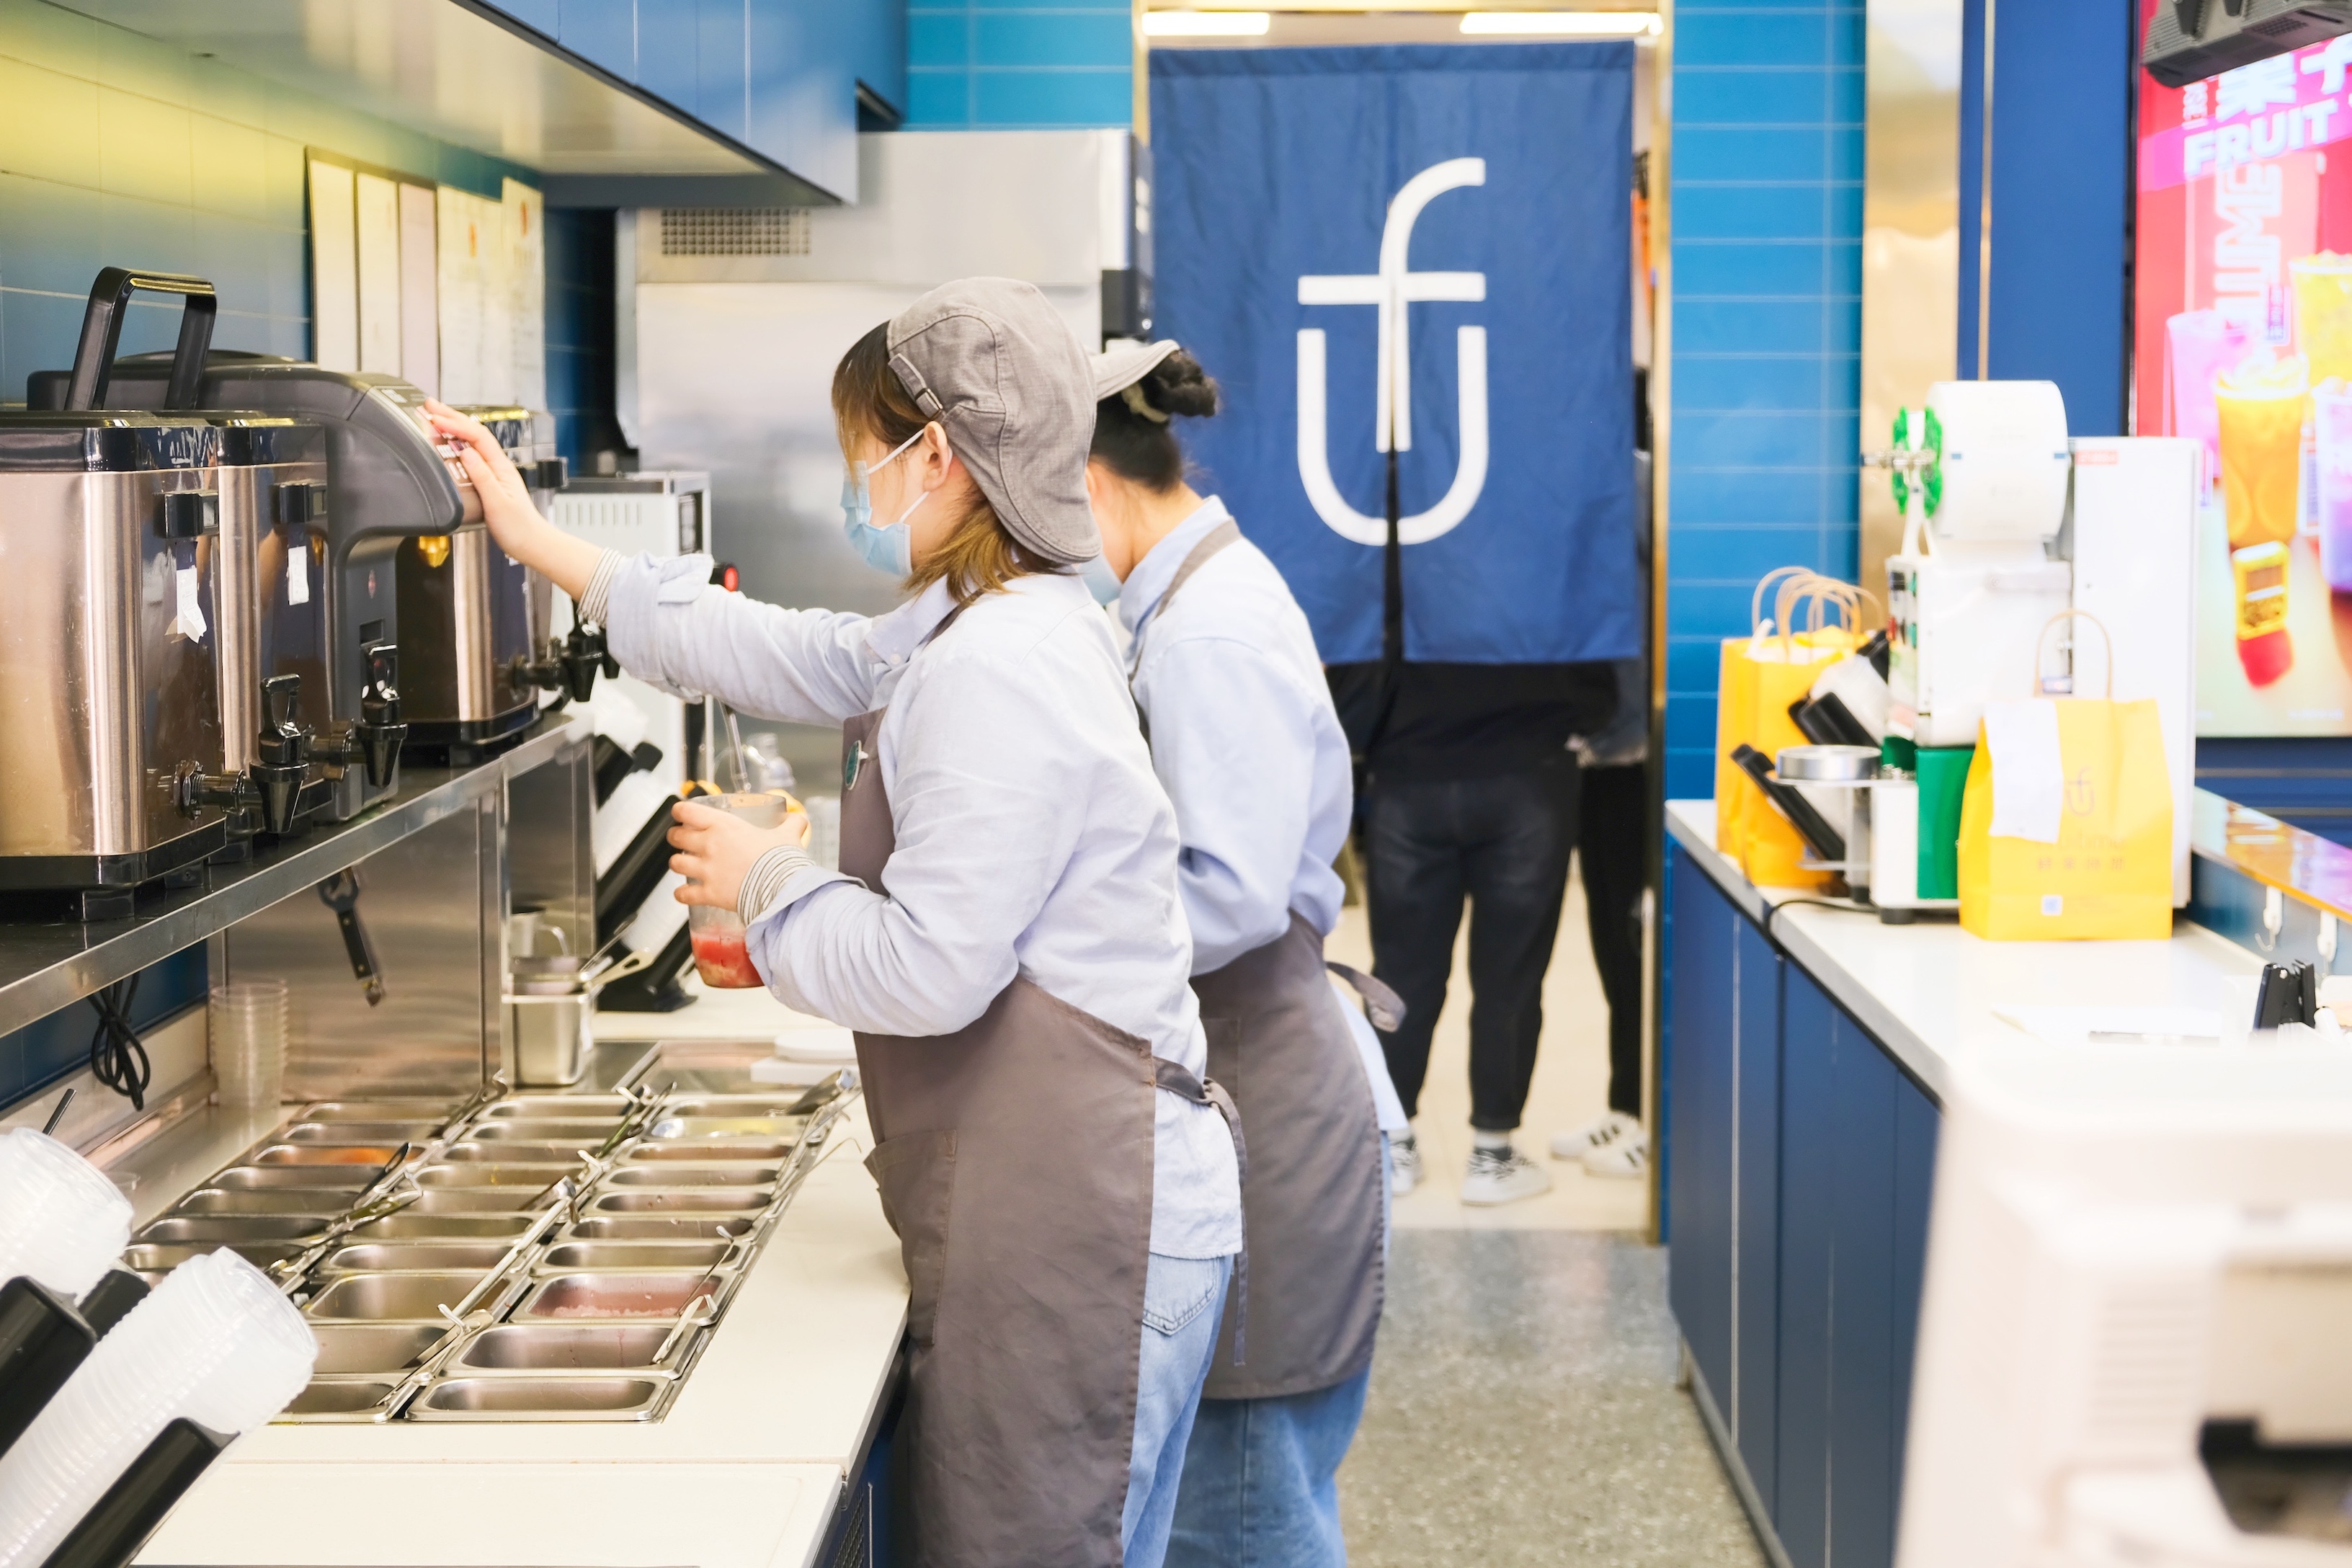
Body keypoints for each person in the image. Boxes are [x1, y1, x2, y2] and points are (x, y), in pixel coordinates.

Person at [425, 280, 1244, 1568]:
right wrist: (542, 543)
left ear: (938, 454)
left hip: (1084, 1215)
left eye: (863, 443)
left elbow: (929, 973)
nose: (852, 476)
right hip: (1068, 1192)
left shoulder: (998, 665)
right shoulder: (974, 619)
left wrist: (765, 882)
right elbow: (797, 653)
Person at [1082, 339, 1402, 1568]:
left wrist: (1028, 922)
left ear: (1089, 484)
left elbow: (1221, 896)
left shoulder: (1205, 629)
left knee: (1245, 1518)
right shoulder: (1177, 597)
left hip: (1265, 1108)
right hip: (1244, 1089)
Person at [1330, 633, 1615, 1206]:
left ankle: (1396, 1140)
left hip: (1408, 780)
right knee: (1510, 977)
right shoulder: (1546, 571)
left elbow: (1351, 692)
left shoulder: (1392, 552)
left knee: (1402, 972)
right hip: (1528, 778)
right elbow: (1600, 692)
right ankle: (1493, 1153)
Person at [1551, 654, 1649, 1178]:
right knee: (1611, 944)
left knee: (1639, 951)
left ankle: (1655, 1117)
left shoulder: (1638, 571)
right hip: (1598, 765)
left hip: (1640, 763)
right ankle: (1628, 1103)